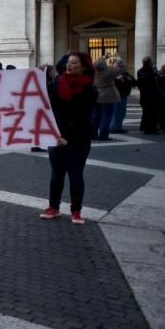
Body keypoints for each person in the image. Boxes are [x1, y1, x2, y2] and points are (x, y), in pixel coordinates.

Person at [40, 52, 97, 225]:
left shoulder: (90, 89)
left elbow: (82, 116)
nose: (68, 65)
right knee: (56, 174)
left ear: (84, 67)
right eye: (68, 62)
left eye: (73, 62)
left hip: (78, 136)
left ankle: (76, 211)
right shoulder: (58, 82)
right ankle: (53, 207)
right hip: (56, 135)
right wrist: (37, 77)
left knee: (75, 174)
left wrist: (66, 136)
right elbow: (42, 98)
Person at [92, 55, 121, 140]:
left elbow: (97, 63)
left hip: (97, 96)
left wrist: (104, 57)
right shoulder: (108, 72)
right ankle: (103, 135)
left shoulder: (95, 72)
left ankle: (92, 134)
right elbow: (120, 69)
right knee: (106, 116)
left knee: (95, 115)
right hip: (107, 97)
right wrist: (118, 62)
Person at [110, 59, 136, 133]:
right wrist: (116, 79)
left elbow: (134, 83)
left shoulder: (125, 74)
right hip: (113, 95)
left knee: (121, 112)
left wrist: (130, 80)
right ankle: (112, 127)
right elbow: (105, 81)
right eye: (118, 64)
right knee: (114, 112)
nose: (121, 66)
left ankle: (118, 127)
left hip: (123, 95)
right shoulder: (111, 73)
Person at [136, 56, 160, 134]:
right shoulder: (152, 71)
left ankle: (143, 127)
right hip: (152, 95)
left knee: (145, 112)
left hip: (144, 94)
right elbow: (156, 84)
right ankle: (150, 128)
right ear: (150, 62)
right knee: (152, 113)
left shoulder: (140, 71)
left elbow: (139, 84)